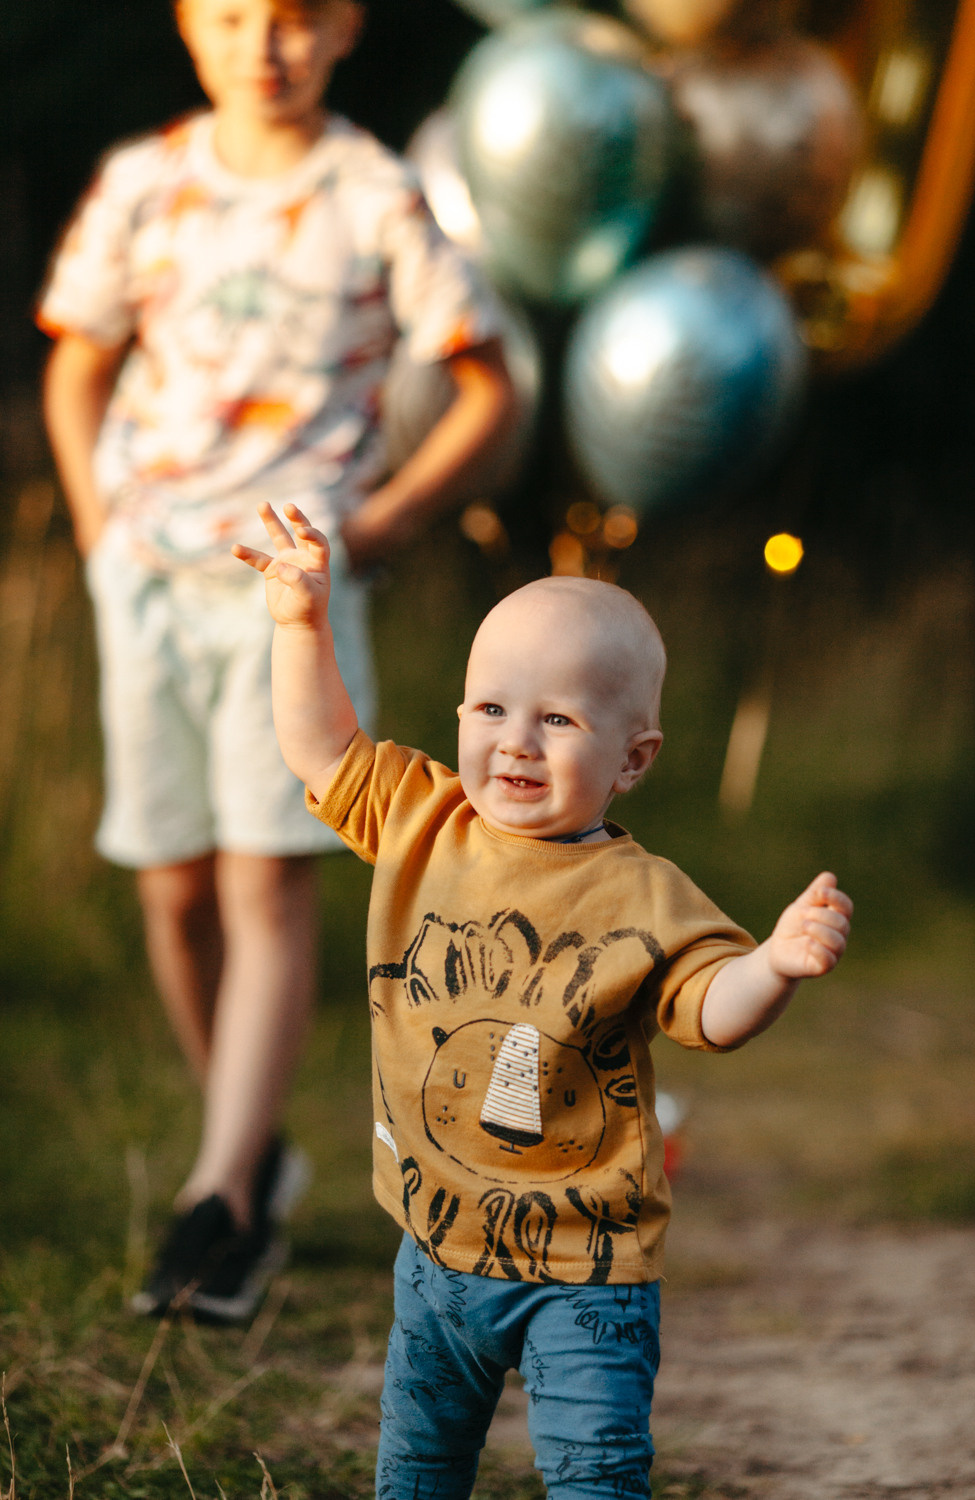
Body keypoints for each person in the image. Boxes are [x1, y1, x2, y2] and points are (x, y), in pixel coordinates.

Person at [37, 0, 513, 1324]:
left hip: (285, 597)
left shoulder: (375, 195)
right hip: (144, 582)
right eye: (236, 15)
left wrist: (381, 525)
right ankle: (251, 1150)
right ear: (193, 25)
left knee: (264, 888)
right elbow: (78, 368)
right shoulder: (146, 183)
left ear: (344, 28)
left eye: (297, 19)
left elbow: (488, 386)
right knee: (173, 890)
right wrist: (95, 530)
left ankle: (222, 1203)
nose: (267, 45)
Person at [234, 501, 854, 1498]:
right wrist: (298, 625)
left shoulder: (643, 897)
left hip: (586, 1271)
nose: (514, 743)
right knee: (416, 1471)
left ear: (632, 757)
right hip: (433, 1254)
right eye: (490, 710)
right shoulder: (421, 818)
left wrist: (773, 963)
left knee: (594, 1476)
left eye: (556, 719)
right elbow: (321, 749)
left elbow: (711, 1011)